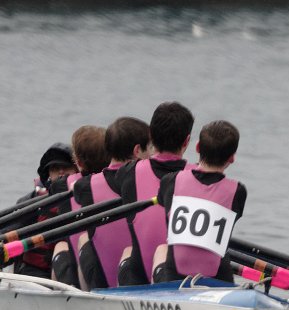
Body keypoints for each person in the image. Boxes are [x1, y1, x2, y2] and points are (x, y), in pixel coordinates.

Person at [151, 120, 246, 283]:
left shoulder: (171, 181)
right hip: (218, 280)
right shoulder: (238, 191)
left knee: (161, 250)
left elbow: (163, 204)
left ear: (197, 147)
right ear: (232, 158)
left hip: (175, 279)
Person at [115, 101, 194, 285]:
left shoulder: (127, 173)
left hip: (138, 280)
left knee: (127, 253)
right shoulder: (199, 177)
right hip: (185, 281)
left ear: (150, 135)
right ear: (187, 141)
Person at [69, 116, 151, 289]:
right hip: (145, 279)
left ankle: (83, 296)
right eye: (149, 148)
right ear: (137, 151)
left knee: (83, 239)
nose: (151, 154)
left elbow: (75, 188)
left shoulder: (84, 187)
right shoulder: (152, 181)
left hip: (103, 283)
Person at [50, 125, 111, 288]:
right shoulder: (121, 180)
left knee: (60, 246)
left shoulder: (61, 186)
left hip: (83, 274)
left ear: (78, 162)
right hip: (112, 267)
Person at [8, 142, 78, 279]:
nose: (61, 172)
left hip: (69, 271)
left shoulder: (86, 197)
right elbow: (9, 232)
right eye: (55, 169)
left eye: (66, 167)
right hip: (33, 273)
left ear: (77, 170)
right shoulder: (30, 201)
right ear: (49, 174)